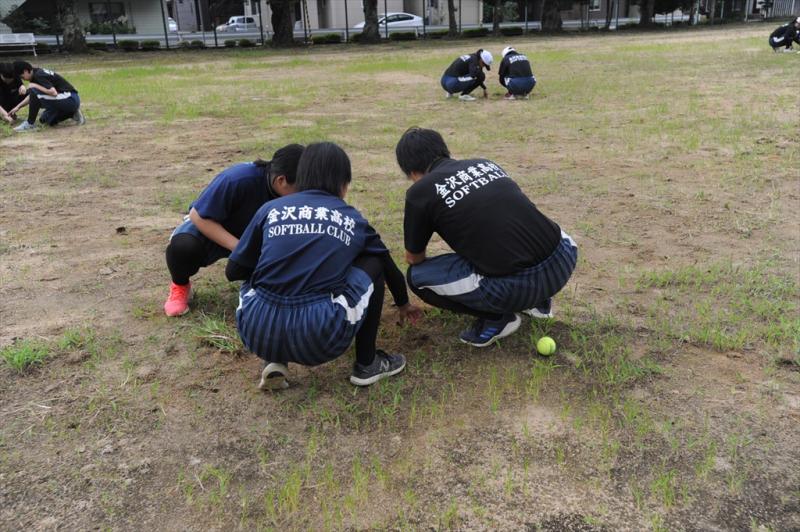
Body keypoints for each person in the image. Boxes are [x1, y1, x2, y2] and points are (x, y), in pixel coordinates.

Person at [226, 142, 421, 389]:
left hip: (256, 331)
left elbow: (234, 271)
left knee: (259, 270)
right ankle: (367, 363)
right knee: (373, 261)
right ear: (343, 184)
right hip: (320, 337)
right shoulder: (352, 219)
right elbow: (387, 265)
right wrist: (403, 303)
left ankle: (274, 358)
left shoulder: (270, 209)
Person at [396, 128, 578, 347]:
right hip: (564, 257)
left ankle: (497, 318)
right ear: (443, 150)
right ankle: (539, 302)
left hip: (517, 286)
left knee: (417, 277)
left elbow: (413, 258)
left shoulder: (420, 192)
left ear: (412, 172)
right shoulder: (484, 164)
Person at [164, 144, 305, 317]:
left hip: (255, 236)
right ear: (281, 181)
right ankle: (179, 286)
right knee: (183, 247)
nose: (304, 193)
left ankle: (260, 287)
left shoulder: (292, 192)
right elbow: (197, 216)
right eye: (301, 188)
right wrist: (241, 248)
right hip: (214, 227)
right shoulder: (237, 179)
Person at [10, 60, 85, 132]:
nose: (23, 79)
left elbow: (53, 92)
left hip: (70, 99)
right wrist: (18, 107)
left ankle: (29, 123)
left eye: (22, 77)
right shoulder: (35, 75)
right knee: (44, 119)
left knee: (33, 91)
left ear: (26, 71)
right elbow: (33, 97)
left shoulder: (39, 75)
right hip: (66, 99)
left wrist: (35, 86)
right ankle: (72, 113)